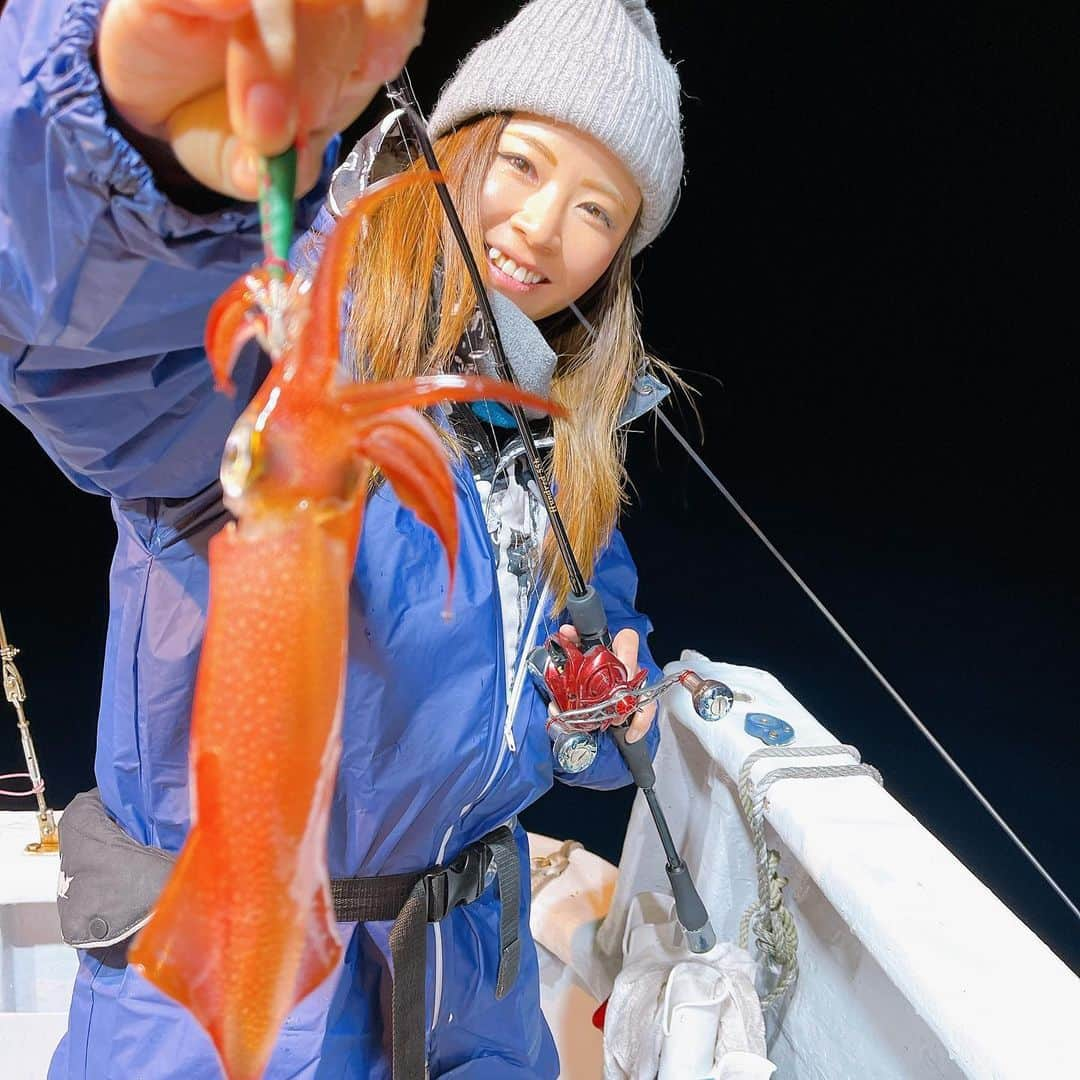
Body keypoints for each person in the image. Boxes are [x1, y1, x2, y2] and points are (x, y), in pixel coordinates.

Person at [0, 0, 685, 1075]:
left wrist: (595, 709)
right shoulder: (282, 340)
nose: (545, 226)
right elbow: (95, 348)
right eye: (519, 161)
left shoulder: (564, 444)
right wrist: (121, 132)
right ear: (447, 145)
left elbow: (576, 664)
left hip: (473, 1000)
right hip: (232, 1000)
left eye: (598, 209)